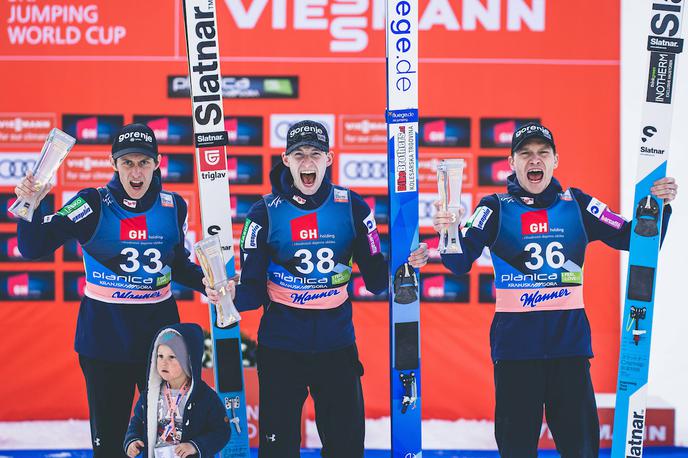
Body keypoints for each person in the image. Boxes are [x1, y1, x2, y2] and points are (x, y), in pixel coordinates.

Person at [432, 122, 678, 457]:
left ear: (555, 160)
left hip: (569, 352)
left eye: (542, 153)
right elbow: (459, 262)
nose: (535, 160)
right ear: (511, 162)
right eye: (526, 153)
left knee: (581, 450)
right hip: (516, 354)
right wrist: (447, 232)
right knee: (517, 450)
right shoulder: (494, 208)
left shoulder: (577, 204)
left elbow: (633, 238)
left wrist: (659, 204)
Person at [204, 120, 428, 458]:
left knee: (346, 448)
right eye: (299, 155)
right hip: (281, 348)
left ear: (329, 158)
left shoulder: (353, 208)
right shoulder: (263, 213)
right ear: (286, 160)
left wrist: (406, 259)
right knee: (278, 450)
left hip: (336, 346)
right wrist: (227, 292)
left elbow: (377, 280)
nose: (307, 163)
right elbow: (251, 290)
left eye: (315, 154)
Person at [15, 123, 208, 457]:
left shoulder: (173, 206)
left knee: (168, 440)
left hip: (159, 337)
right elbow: (34, 247)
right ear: (113, 163)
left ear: (157, 163)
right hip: (104, 337)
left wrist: (211, 282)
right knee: (111, 441)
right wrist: (31, 205)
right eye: (128, 162)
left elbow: (176, 264)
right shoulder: (92, 203)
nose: (136, 172)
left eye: (144, 163)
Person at [124, 323, 231, 458]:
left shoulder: (205, 396)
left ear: (188, 361)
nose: (163, 362)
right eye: (160, 356)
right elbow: (137, 421)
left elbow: (222, 431)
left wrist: (195, 446)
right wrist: (132, 440)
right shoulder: (150, 394)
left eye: (172, 357)